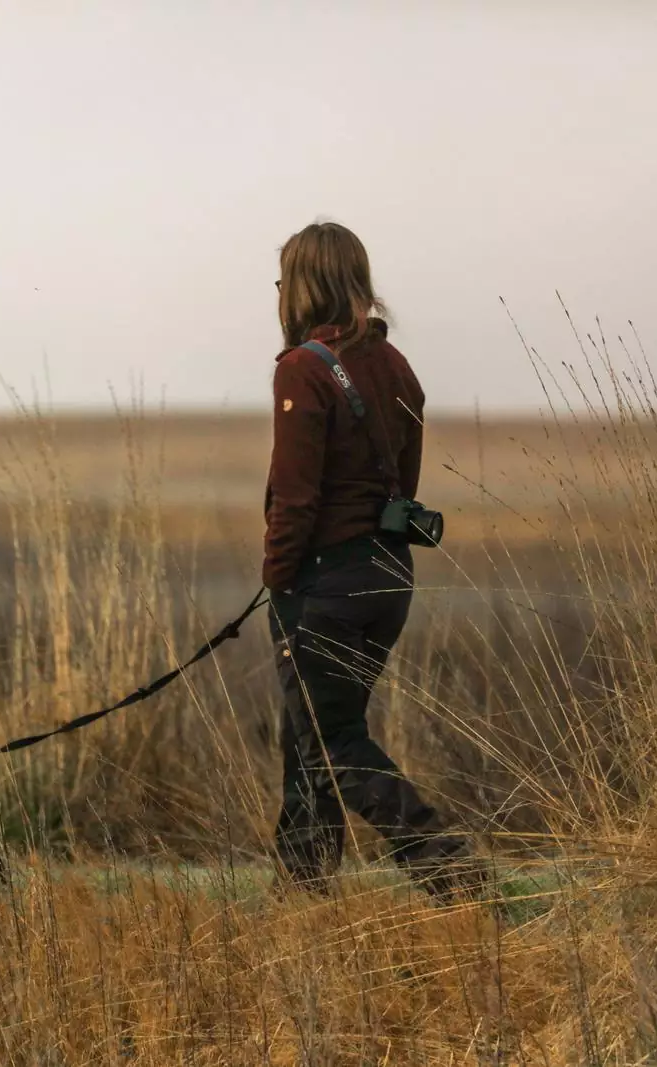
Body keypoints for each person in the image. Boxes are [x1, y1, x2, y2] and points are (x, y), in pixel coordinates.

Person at [262, 221, 474, 903]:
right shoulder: (395, 364)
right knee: (312, 733)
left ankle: (447, 867)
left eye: (283, 277)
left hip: (325, 583)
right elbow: (403, 484)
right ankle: (304, 892)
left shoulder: (301, 367)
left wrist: (278, 578)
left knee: (333, 742)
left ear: (303, 286)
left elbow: (294, 497)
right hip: (388, 577)